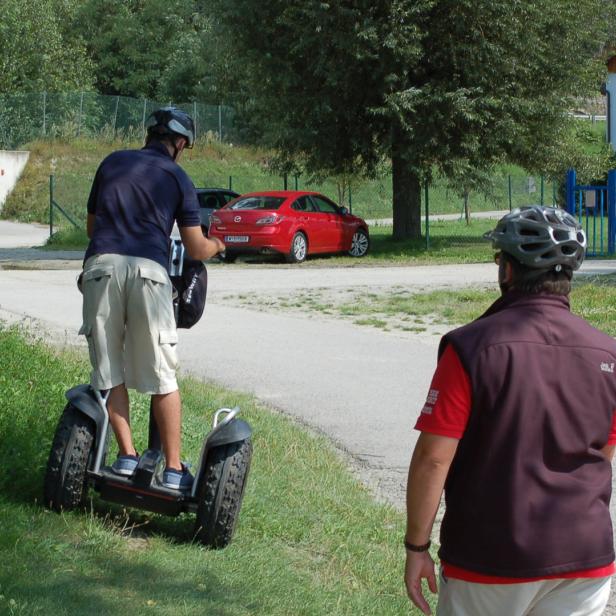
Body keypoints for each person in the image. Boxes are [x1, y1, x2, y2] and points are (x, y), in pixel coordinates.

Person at [404, 206, 616, 615]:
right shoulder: (608, 353)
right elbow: (603, 453)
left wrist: (417, 546)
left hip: (491, 559)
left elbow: (434, 457)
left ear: (508, 271)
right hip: (585, 557)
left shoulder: (470, 348)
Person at [80, 107, 225, 491]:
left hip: (102, 266)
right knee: (162, 376)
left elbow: (93, 227)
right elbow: (194, 247)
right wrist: (216, 244)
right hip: (148, 272)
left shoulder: (112, 162)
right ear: (179, 143)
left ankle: (126, 458)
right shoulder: (177, 176)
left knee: (110, 372)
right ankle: (174, 470)